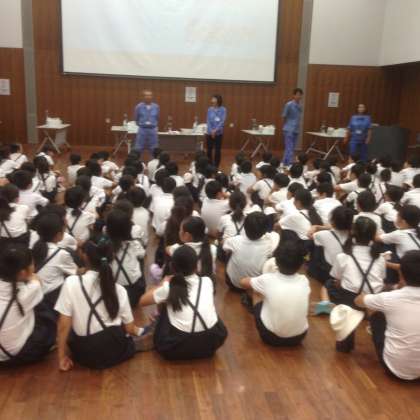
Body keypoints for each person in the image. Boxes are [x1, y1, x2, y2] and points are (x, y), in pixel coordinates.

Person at [55, 240, 151, 371]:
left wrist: (61, 357)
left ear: (86, 257)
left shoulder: (70, 283)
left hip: (85, 353)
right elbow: (130, 329)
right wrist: (142, 330)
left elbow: (63, 325)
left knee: (73, 333)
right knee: (126, 332)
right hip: (114, 348)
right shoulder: (119, 289)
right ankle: (138, 342)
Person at [140, 245, 227, 360]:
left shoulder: (169, 287)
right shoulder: (207, 281)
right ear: (196, 266)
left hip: (175, 348)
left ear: (172, 267)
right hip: (211, 343)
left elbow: (142, 301)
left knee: (166, 303)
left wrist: (163, 283)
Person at [355, 250, 420, 381]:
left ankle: (378, 332)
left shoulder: (389, 298)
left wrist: (396, 288)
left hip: (394, 369)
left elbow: (358, 301)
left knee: (375, 311)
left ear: (401, 273)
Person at [240, 241, 310, 347]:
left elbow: (242, 282)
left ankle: (252, 309)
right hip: (299, 337)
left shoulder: (267, 279)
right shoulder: (304, 280)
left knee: (257, 291)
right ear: (301, 265)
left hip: (271, 337)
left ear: (276, 261)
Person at [0, 245, 56, 367]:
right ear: (22, 272)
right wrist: (30, 277)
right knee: (44, 306)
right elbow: (37, 280)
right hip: (17, 354)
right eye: (32, 264)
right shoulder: (31, 290)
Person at [282, 88, 303, 167]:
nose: (299, 96)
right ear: (293, 95)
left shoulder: (300, 106)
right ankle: (289, 163)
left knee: (291, 147)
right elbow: (284, 116)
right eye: (297, 94)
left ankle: (284, 162)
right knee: (289, 147)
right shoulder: (289, 104)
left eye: (300, 95)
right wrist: (287, 126)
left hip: (296, 129)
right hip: (289, 129)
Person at [134, 90, 160, 155]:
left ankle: (154, 160)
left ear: (152, 97)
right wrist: (142, 124)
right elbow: (136, 119)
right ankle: (136, 160)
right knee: (138, 147)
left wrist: (153, 124)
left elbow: (157, 118)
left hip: (153, 129)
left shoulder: (156, 106)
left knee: (154, 147)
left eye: (150, 95)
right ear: (143, 97)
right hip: (142, 129)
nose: (148, 97)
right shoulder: (138, 106)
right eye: (146, 95)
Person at [206, 94, 227, 168]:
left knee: (217, 150)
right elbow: (208, 121)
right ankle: (209, 164)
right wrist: (211, 131)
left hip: (218, 133)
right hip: (209, 133)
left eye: (214, 98)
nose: (212, 99)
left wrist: (215, 131)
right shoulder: (209, 109)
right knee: (209, 150)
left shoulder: (223, 109)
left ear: (218, 100)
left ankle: (216, 166)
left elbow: (222, 122)